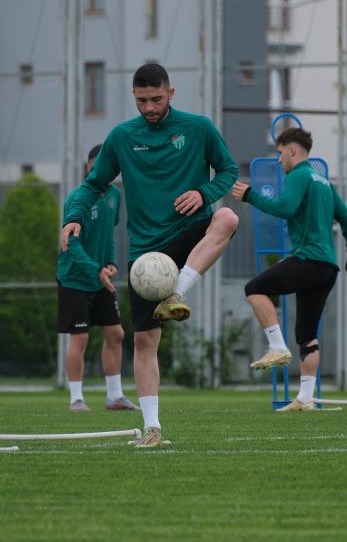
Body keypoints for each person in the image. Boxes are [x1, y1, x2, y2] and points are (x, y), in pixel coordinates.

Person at [61, 63, 239, 447]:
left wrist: (205, 193)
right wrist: (73, 218)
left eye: (156, 99)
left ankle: (178, 292)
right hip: (146, 252)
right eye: (142, 100)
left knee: (226, 217)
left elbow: (228, 171)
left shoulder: (198, 127)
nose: (150, 107)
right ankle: (153, 429)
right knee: (144, 341)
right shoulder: (122, 137)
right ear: (134, 97)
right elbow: (93, 185)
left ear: (171, 93)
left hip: (190, 230)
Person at [232, 127, 347, 411]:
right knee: (307, 334)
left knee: (254, 289)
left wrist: (251, 196)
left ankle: (277, 346)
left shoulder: (299, 175)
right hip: (327, 268)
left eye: (279, 154)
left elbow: (286, 208)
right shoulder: (325, 182)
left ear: (293, 150)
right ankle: (305, 399)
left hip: (307, 259)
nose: (278, 160)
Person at [58, 144, 138, 412]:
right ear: (89, 167)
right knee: (79, 338)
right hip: (75, 278)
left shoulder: (115, 195)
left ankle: (114, 397)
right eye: (97, 166)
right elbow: (72, 245)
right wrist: (97, 270)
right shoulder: (78, 198)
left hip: (101, 277)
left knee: (116, 333)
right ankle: (76, 398)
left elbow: (109, 236)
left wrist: (111, 262)